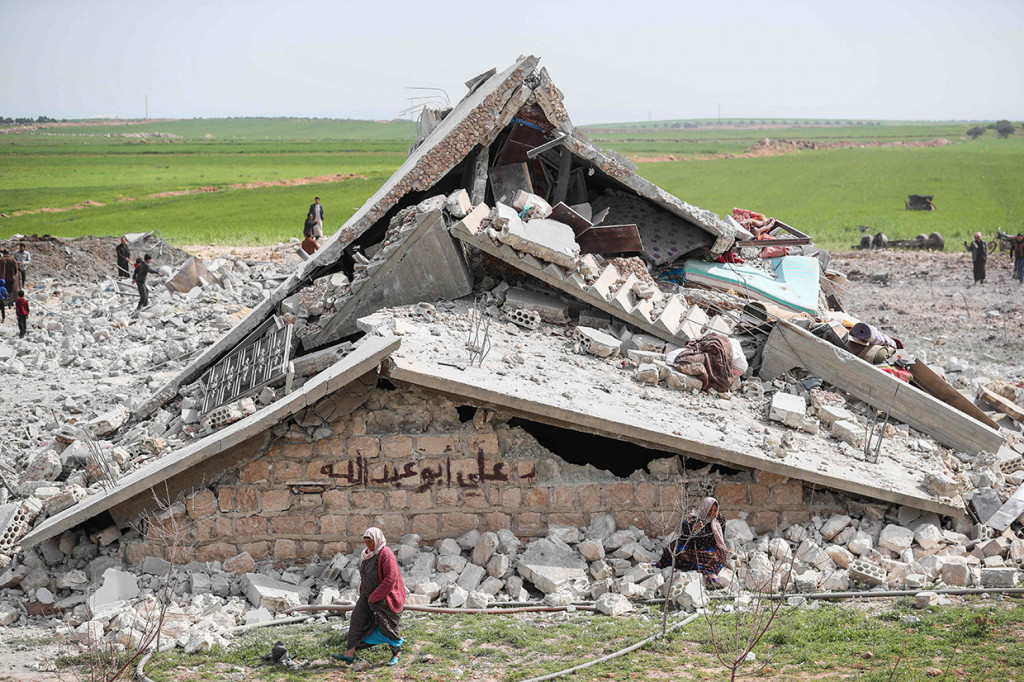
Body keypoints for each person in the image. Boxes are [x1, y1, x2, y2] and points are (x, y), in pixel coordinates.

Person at [333, 528, 405, 667]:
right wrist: (364, 592)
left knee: (387, 625)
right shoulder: (367, 554)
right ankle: (349, 654)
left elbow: (390, 579)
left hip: (386, 599)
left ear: (377, 540)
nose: (367, 544)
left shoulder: (386, 554)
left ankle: (396, 654)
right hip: (367, 596)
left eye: (370, 541)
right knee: (357, 619)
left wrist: (376, 596)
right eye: (365, 541)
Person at [656, 497, 732, 585]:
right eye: (709, 510)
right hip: (692, 546)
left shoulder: (719, 519)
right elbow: (685, 527)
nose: (712, 513)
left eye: (715, 510)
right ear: (704, 508)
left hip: (709, 547)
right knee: (672, 549)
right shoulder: (695, 518)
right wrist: (694, 528)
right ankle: (663, 563)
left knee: (719, 556)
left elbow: (720, 537)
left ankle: (711, 575)